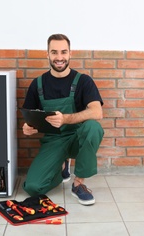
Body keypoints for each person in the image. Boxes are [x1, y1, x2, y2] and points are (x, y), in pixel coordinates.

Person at [22, 33, 104, 205]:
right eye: (54, 52)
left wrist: (66, 119)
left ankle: (78, 183)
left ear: (70, 53)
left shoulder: (83, 81)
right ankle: (61, 170)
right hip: (53, 140)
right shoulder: (37, 84)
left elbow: (97, 112)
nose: (59, 57)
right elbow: (29, 116)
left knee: (93, 127)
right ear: (47, 54)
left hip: (77, 137)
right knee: (33, 187)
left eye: (63, 52)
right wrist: (27, 127)